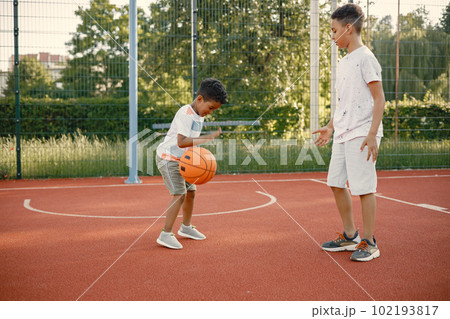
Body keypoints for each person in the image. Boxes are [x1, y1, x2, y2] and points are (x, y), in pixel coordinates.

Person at [313, 3, 385, 262]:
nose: (332, 36)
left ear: (348, 28)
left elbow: (379, 99)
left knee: (364, 187)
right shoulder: (344, 63)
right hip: (343, 132)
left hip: (362, 133)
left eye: (334, 31)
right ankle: (350, 235)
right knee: (335, 182)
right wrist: (331, 127)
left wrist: (372, 133)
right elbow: (344, 102)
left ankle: (370, 241)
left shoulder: (366, 58)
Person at [155, 78, 228, 250]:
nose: (210, 112)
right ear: (200, 99)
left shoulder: (199, 115)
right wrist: (207, 138)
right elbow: (181, 142)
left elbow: (189, 143)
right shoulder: (185, 113)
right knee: (179, 193)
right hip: (168, 158)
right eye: (210, 108)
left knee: (191, 192)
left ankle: (186, 228)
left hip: (184, 160)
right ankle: (165, 234)